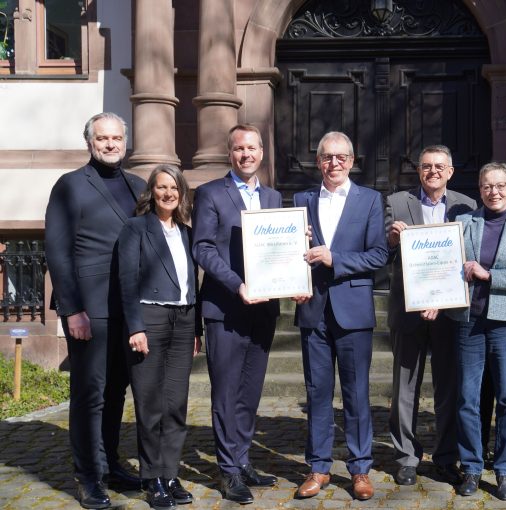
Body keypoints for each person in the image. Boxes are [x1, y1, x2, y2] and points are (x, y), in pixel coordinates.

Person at [45, 112, 144, 509]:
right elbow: (57, 250)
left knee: (117, 391)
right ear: (89, 142)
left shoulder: (137, 186)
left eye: (117, 138)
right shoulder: (70, 185)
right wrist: (72, 310)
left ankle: (110, 463)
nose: (110, 144)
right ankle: (88, 477)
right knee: (89, 395)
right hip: (89, 308)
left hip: (128, 306)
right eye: (102, 138)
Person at [292, 132, 388, 501]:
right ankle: (318, 468)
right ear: (318, 161)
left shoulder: (370, 200)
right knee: (317, 393)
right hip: (312, 307)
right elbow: (288, 254)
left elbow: (379, 254)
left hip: (353, 311)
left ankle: (360, 468)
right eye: (327, 157)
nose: (334, 164)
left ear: (352, 160)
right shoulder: (301, 200)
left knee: (356, 393)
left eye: (341, 157)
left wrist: (337, 259)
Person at [192, 124, 281, 504]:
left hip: (264, 309)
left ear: (262, 152)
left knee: (250, 391)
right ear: (230, 153)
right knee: (226, 392)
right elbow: (203, 248)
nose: (246, 154)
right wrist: (237, 284)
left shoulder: (275, 197)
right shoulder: (211, 193)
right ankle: (227, 472)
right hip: (226, 307)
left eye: (252, 148)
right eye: (239, 148)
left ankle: (241, 460)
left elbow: (280, 247)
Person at [447, 162, 506, 501]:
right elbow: (442, 264)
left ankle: (504, 470)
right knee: (468, 399)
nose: (494, 191)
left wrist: (489, 276)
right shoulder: (463, 223)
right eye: (487, 186)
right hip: (469, 322)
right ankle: (472, 467)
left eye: (501, 185)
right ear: (480, 190)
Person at [385, 145, 476, 487]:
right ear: (419, 171)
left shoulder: (466, 206)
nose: (433, 171)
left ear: (450, 172)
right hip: (408, 309)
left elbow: (470, 255)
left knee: (448, 388)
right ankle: (407, 456)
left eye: (439, 166)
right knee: (404, 387)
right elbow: (380, 253)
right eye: (426, 166)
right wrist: (392, 240)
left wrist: (442, 298)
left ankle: (445, 456)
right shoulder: (397, 203)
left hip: (450, 310)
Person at [118, 165, 201, 509]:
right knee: (150, 404)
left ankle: (169, 473)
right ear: (151, 192)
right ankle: (151, 478)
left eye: (173, 188)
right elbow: (127, 280)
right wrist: (135, 327)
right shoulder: (135, 228)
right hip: (149, 319)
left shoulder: (185, 231)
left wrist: (197, 329)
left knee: (176, 404)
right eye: (161, 187)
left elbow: (191, 282)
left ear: (181, 193)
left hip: (183, 321)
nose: (168, 193)